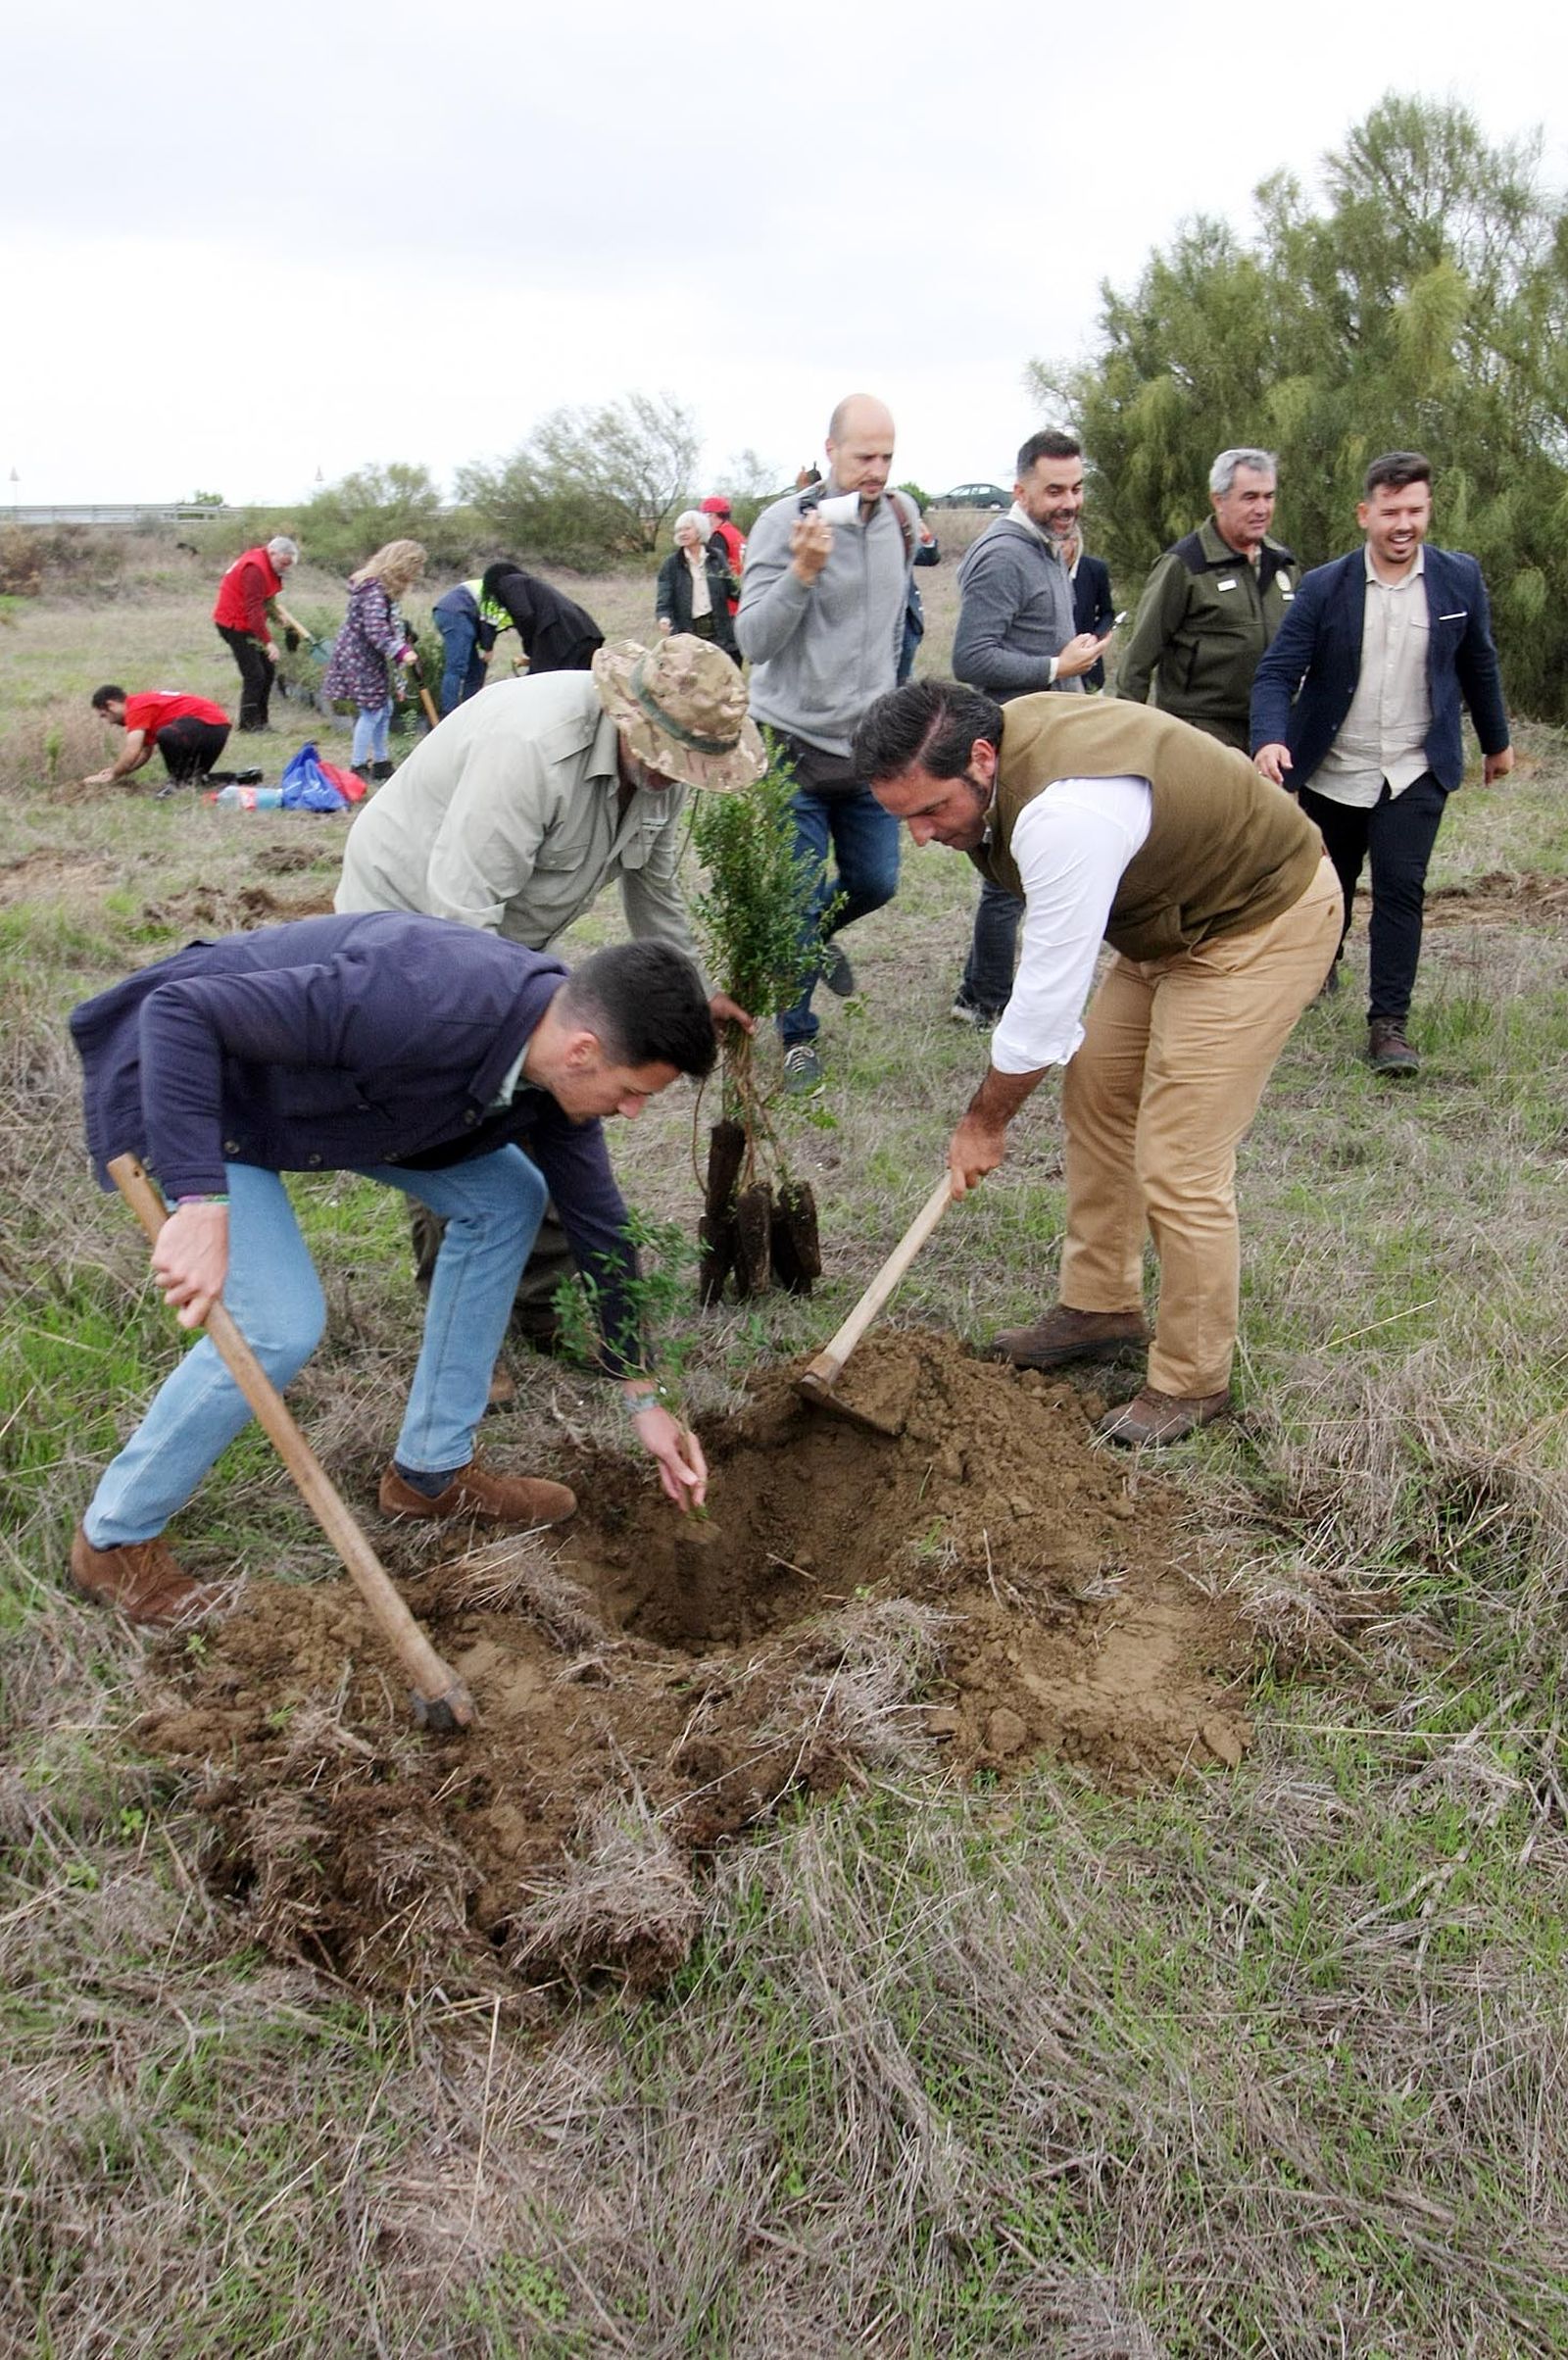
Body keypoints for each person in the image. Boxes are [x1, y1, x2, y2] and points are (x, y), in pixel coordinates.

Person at [67, 918, 719, 1626]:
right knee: (280, 1324)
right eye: (631, 1091)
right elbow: (179, 1013)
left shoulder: (551, 1061)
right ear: (583, 1050)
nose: (632, 1112)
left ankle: (431, 1473)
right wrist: (201, 1202)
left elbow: (601, 1226)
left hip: (332, 1098)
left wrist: (643, 1397)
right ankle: (115, 1538)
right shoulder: (417, 1003)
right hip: (192, 1084)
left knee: (506, 1199)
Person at [854, 677, 1342, 1447]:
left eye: (931, 810)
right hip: (1166, 921)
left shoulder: (1064, 816)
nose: (919, 836)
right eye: (903, 817)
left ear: (981, 758)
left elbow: (1045, 1006)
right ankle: (1100, 1308)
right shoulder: (1004, 755)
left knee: (1180, 1158)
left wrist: (984, 1122)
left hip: (1258, 920)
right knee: (1099, 1093)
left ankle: (1192, 1380)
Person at [335, 633, 761, 1336]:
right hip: (410, 923)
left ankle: (540, 1308)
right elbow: (461, 915)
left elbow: (655, 887)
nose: (675, 774)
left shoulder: (664, 772)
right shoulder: (532, 750)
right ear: (631, 717)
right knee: (454, 1109)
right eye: (666, 756)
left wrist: (695, 991)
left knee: (546, 1098)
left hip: (509, 933)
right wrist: (500, 1035)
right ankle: (464, 1322)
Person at [1251, 450, 1512, 1076]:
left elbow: (1478, 662)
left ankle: (1388, 1026)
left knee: (1401, 889)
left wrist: (1497, 742)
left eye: (1415, 511)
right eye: (1391, 512)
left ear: (1428, 510)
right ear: (1365, 514)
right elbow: (1277, 672)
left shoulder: (1458, 578)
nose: (1404, 524)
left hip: (1415, 766)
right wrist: (1270, 739)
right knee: (1329, 888)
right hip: (1335, 767)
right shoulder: (1325, 587)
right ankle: (1320, 965)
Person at [735, 392, 920, 1094]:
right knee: (798, 899)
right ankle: (797, 1037)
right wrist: (802, 572)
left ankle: (814, 942)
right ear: (831, 451)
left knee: (877, 881)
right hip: (791, 744)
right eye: (865, 455)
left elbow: (899, 623)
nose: (877, 470)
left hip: (869, 746)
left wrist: (896, 701)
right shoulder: (783, 524)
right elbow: (753, 639)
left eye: (887, 456)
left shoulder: (900, 517)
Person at [948, 429, 1114, 1029]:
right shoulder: (1004, 554)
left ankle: (980, 992)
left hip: (1050, 737)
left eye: (1076, 488)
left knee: (1022, 874)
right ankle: (984, 1001)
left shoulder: (1046, 545)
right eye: (1054, 490)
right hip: (1015, 740)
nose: (1069, 502)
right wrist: (1055, 667)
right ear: (1021, 490)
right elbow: (971, 658)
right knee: (1011, 877)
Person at [1117, 450, 1297, 750]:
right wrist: (1126, 739)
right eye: (1250, 497)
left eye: (1269, 497)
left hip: (1269, 731)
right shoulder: (1184, 565)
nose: (1262, 508)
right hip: (1200, 731)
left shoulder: (1284, 564)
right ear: (1219, 500)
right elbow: (1139, 657)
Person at [322, 540, 426, 782]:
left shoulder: (379, 589)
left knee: (384, 707)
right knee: (372, 710)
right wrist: (400, 651)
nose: (418, 573)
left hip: (366, 655)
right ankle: (358, 765)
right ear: (402, 566)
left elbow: (382, 621)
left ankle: (381, 762)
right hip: (359, 657)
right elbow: (375, 629)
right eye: (416, 567)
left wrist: (402, 631)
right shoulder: (374, 590)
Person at [211, 535, 309, 733]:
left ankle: (262, 722)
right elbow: (253, 609)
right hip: (234, 624)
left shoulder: (266, 563)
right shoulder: (255, 569)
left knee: (268, 670)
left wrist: (282, 622)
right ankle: (248, 725)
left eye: (288, 565)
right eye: (283, 563)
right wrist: (268, 642)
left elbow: (267, 600)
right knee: (255, 674)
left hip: (246, 623)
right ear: (272, 553)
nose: (285, 569)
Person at [84, 686, 252, 792]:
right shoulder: (143, 707)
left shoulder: (136, 708)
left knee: (166, 735)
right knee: (192, 781)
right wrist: (119, 772)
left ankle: (174, 784)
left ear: (111, 705)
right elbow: (144, 753)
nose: (109, 722)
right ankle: (240, 778)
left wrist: (114, 774)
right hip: (217, 729)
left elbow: (132, 750)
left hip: (205, 725)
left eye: (104, 715)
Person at [480, 561, 604, 675]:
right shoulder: (531, 585)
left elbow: (524, 615)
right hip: (587, 634)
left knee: (541, 682)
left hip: (561, 638)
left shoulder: (509, 582)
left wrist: (529, 652)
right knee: (578, 685)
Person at [656, 514, 740, 657]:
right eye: (679, 530)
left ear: (700, 530)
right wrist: (664, 618)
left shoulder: (716, 557)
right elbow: (663, 601)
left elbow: (734, 590)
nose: (682, 533)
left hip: (720, 633)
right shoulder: (671, 564)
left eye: (687, 529)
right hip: (688, 635)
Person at [430, 575, 515, 713]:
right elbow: (489, 624)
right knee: (456, 668)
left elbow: (490, 624)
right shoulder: (504, 595)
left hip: (461, 615)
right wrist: (487, 648)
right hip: (456, 613)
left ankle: (469, 714)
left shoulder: (507, 593)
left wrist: (486, 647)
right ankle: (448, 716)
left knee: (476, 671)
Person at [1063, 529, 1115, 692]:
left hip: (1088, 667)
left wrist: (1095, 636)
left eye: (1062, 542)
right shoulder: (1041, 570)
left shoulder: (1095, 569)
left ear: (1074, 542)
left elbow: (1107, 613)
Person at [897, 510, 942, 686]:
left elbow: (928, 558)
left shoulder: (896, 524)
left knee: (903, 681)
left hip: (906, 619)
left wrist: (926, 539)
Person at [700, 496, 746, 615]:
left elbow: (715, 574)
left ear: (713, 515)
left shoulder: (718, 537)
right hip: (743, 599)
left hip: (728, 604)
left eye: (705, 515)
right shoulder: (737, 534)